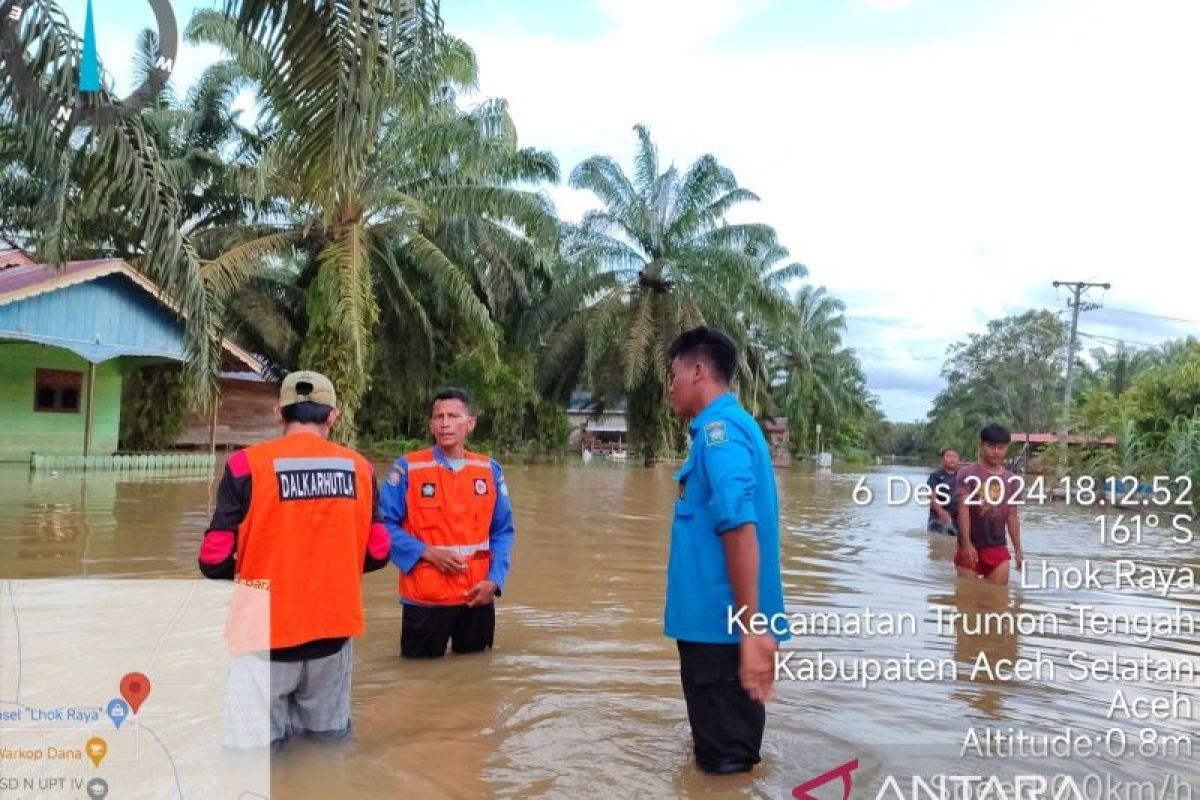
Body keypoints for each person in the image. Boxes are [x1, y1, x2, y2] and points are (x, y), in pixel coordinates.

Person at [198, 371, 391, 747]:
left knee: (254, 751)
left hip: (262, 635)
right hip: (332, 632)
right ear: (332, 416)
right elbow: (379, 551)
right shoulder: (361, 469)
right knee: (327, 746)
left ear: (278, 413)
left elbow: (213, 557)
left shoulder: (245, 466)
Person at [664, 326, 788, 775]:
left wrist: (751, 628)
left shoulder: (721, 434)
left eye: (673, 374)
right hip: (716, 631)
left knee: (726, 772)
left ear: (697, 371)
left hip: (723, 633)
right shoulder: (724, 430)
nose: (670, 388)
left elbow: (737, 524)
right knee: (718, 759)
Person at [381, 388, 515, 658]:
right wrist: (426, 552)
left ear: (470, 424)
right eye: (438, 417)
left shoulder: (489, 470)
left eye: (453, 416)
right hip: (426, 597)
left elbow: (502, 531)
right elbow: (383, 525)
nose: (445, 423)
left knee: (475, 677)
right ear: (431, 425)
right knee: (418, 679)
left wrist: (495, 581)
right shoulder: (408, 468)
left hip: (477, 597)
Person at [953, 424, 1025, 585]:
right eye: (991, 446)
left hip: (997, 546)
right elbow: (963, 511)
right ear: (982, 445)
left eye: (1001, 447)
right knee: (967, 601)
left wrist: (1018, 551)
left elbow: (1012, 517)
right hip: (970, 544)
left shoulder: (1012, 480)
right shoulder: (967, 474)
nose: (996, 451)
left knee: (998, 602)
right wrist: (966, 544)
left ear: (1007, 448)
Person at [926, 448, 961, 535]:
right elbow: (931, 498)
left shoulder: (963, 476)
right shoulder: (935, 476)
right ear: (942, 459)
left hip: (958, 520)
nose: (952, 459)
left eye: (955, 456)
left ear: (959, 459)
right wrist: (941, 512)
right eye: (948, 456)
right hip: (938, 520)